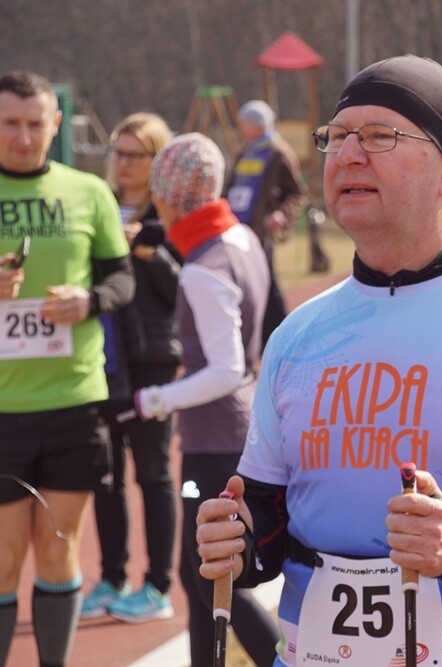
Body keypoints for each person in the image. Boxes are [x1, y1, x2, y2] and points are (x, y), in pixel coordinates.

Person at [195, 54, 442, 666]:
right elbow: (267, 509)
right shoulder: (297, 335)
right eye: (336, 138)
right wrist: (240, 540)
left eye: (380, 136)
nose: (349, 154)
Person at [0, 70, 134, 666]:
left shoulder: (88, 193)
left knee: (59, 553)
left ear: (55, 125)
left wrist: (90, 303)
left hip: (75, 402)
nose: (23, 137)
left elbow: (122, 276)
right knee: (3, 560)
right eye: (10, 123)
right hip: (4, 410)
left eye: (34, 123)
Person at [136, 132, 279, 665]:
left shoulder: (202, 267)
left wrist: (156, 398)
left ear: (170, 196)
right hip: (230, 431)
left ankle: (282, 660)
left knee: (214, 578)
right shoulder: (240, 238)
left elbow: (225, 368)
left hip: (216, 438)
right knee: (198, 574)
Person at [79, 112, 183, 623]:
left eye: (134, 154)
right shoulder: (97, 206)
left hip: (152, 360)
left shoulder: (171, 214)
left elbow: (185, 291)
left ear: (157, 160)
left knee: (155, 474)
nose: (122, 163)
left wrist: (149, 251)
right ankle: (111, 576)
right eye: (117, 153)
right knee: (106, 474)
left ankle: (158, 588)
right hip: (102, 357)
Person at [225, 100, 306, 348]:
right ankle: (250, 336)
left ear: (258, 125)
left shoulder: (278, 153)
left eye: (244, 124)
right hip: (235, 228)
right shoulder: (244, 151)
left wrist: (281, 214)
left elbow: (297, 193)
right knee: (241, 281)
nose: (240, 129)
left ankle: (280, 336)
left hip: (260, 231)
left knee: (265, 281)